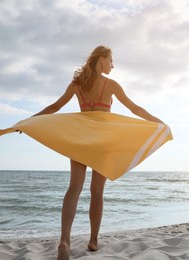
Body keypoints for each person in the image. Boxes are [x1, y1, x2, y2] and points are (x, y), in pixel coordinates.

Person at [32, 46, 164, 259]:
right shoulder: (111, 85)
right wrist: (159, 123)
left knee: (74, 188)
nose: (113, 65)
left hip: (80, 138)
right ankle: (93, 241)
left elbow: (55, 107)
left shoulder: (77, 84)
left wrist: (30, 120)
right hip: (103, 140)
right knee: (97, 191)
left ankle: (64, 241)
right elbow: (135, 109)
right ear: (101, 59)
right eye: (111, 61)